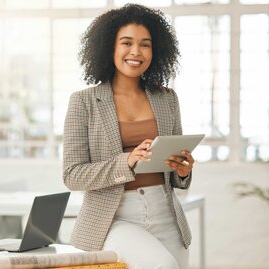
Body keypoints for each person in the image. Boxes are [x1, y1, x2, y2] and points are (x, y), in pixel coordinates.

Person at [63, 4, 194, 269]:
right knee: (162, 265)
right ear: (109, 47)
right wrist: (127, 161)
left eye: (145, 44)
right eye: (126, 43)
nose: (136, 52)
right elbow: (72, 175)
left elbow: (178, 175)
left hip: (166, 213)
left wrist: (183, 170)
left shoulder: (167, 99)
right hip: (115, 217)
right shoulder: (83, 102)